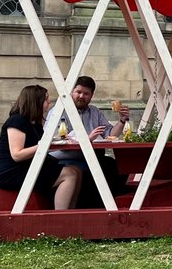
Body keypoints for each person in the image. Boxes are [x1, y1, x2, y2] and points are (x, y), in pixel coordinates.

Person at [0, 85, 81, 210]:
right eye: (46, 99)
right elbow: (17, 155)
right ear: (36, 101)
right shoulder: (16, 121)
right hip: (11, 172)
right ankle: (61, 216)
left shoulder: (35, 123)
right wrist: (43, 145)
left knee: (76, 170)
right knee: (69, 175)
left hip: (28, 166)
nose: (49, 102)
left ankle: (71, 211)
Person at [48, 75, 130, 205]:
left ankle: (106, 203)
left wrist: (122, 121)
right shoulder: (59, 111)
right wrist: (87, 139)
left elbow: (109, 134)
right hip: (66, 157)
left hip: (92, 156)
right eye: (78, 92)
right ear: (71, 92)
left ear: (91, 95)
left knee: (117, 166)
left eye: (86, 93)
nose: (81, 96)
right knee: (92, 169)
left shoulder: (95, 112)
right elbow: (59, 140)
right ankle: (89, 205)